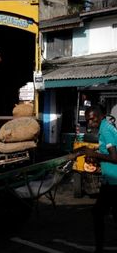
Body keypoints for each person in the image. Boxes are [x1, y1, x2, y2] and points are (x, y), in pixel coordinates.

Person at [83, 105, 117, 253]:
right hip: (110, 179)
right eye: (88, 121)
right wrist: (97, 159)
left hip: (113, 181)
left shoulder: (105, 130)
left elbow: (114, 157)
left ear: (101, 115)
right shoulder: (106, 127)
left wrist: (94, 154)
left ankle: (99, 248)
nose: (90, 123)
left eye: (92, 119)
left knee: (97, 212)